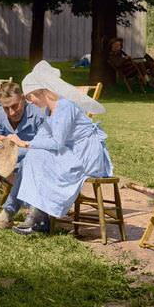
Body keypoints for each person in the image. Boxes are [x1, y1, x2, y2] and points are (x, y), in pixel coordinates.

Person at [9, 61, 112, 235]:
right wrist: (13, 142)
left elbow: (56, 143)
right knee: (34, 157)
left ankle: (39, 217)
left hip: (85, 155)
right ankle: (39, 216)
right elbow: (41, 140)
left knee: (37, 157)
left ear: (42, 92)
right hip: (69, 152)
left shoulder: (65, 106)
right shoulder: (49, 111)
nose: (30, 102)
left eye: (30, 97)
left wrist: (25, 143)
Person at [0, 81, 46, 229]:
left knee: (29, 161)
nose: (11, 112)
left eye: (15, 106)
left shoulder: (37, 115)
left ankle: (6, 214)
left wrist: (9, 152)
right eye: (6, 108)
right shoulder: (0, 115)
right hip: (4, 162)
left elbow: (43, 147)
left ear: (23, 98)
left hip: (29, 162)